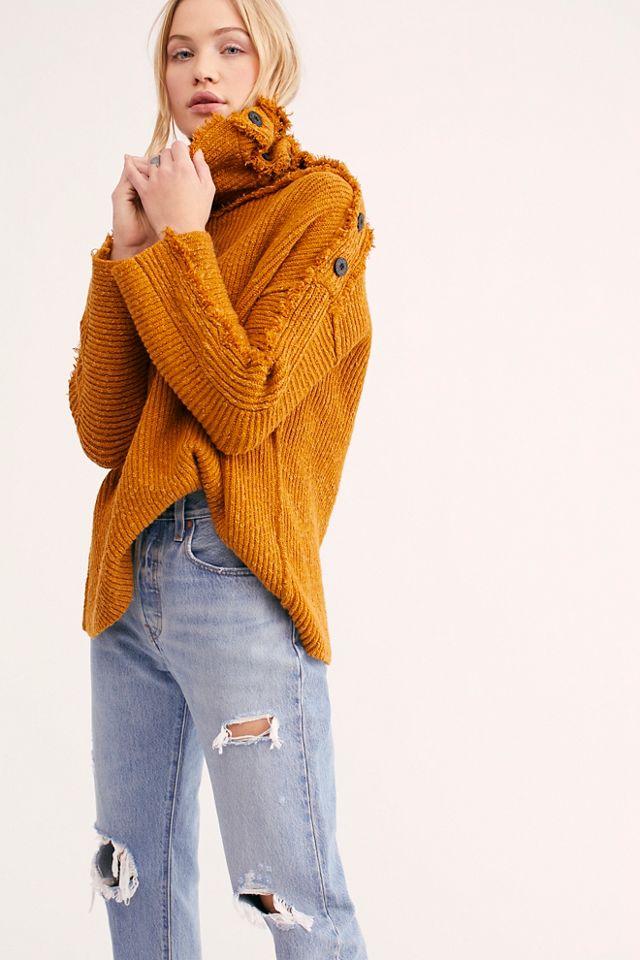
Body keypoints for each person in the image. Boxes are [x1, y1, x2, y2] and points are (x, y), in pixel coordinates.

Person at [68, 0, 374, 957]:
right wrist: (128, 254)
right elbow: (103, 429)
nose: (202, 69)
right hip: (127, 584)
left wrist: (182, 244)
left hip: (236, 573)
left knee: (294, 900)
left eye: (229, 47)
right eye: (181, 52)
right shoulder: (164, 214)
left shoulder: (321, 207)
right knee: (138, 895)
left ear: (269, 63)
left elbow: (243, 403)